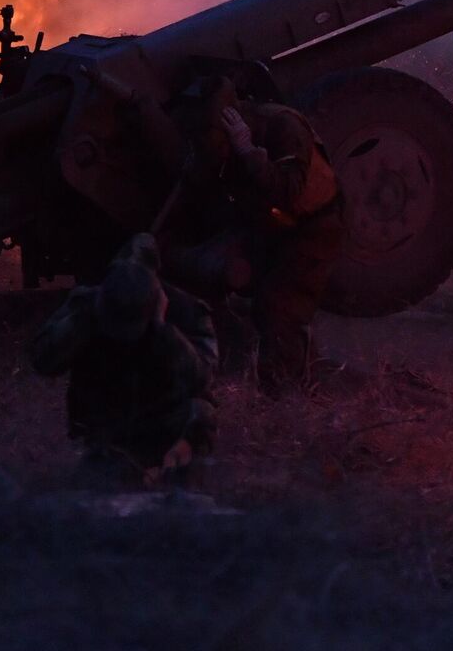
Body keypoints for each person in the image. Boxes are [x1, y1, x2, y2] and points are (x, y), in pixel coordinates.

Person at [177, 78, 344, 396]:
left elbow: (288, 191)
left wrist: (249, 152)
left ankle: (285, 396)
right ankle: (251, 369)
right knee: (226, 286)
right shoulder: (219, 136)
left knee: (280, 306)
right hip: (269, 223)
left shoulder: (283, 126)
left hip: (313, 227)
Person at [28, 234, 219, 484]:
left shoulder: (185, 312)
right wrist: (81, 321)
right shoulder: (87, 306)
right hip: (104, 431)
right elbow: (43, 360)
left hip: (163, 429)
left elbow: (202, 379)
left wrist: (165, 333)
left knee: (200, 416)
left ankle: (174, 469)